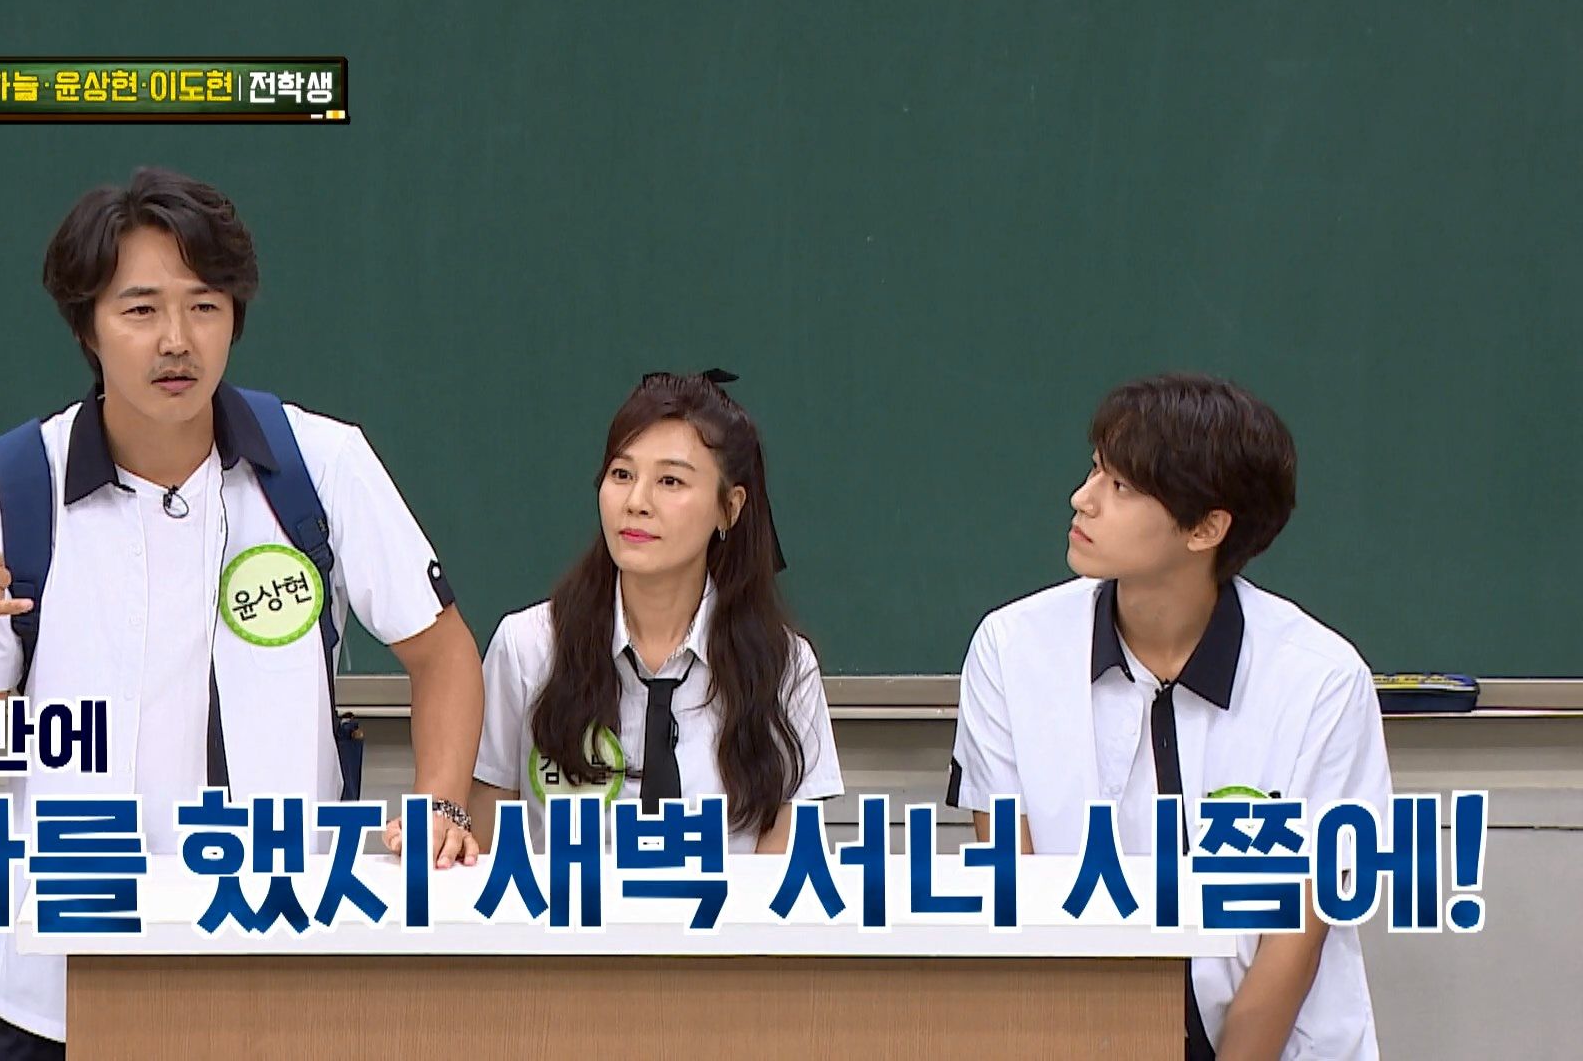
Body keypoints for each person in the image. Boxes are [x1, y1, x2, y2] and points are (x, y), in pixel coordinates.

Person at [0, 167, 485, 1058]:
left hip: (284, 955)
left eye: (204, 306)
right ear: (88, 326)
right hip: (65, 980)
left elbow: (442, 655)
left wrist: (442, 804)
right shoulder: (9, 493)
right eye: (140, 310)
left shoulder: (318, 466)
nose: (176, 340)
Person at [946, 372, 1391, 1059]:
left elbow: (1296, 940)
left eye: (1122, 487)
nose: (1083, 499)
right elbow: (1016, 899)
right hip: (1075, 1036)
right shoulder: (1012, 649)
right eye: (1095, 469)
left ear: (1207, 527)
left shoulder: (1321, 680)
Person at [470, 370, 843, 853]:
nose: (636, 502)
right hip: (565, 905)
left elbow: (786, 866)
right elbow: (486, 848)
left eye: (670, 480)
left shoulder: (783, 667)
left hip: (724, 905)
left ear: (729, 508)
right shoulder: (529, 648)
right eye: (621, 475)